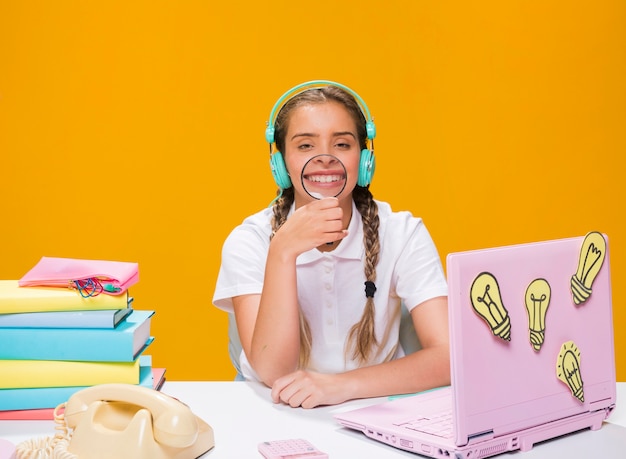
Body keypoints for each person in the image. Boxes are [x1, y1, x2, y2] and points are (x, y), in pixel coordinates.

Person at [213, 80, 450, 408]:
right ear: (280, 164)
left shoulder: (403, 232)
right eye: (305, 146)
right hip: (272, 409)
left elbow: (449, 356)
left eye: (341, 144)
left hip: (375, 404)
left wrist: (339, 387)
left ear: (364, 159)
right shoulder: (249, 241)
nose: (325, 158)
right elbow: (273, 372)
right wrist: (282, 252)